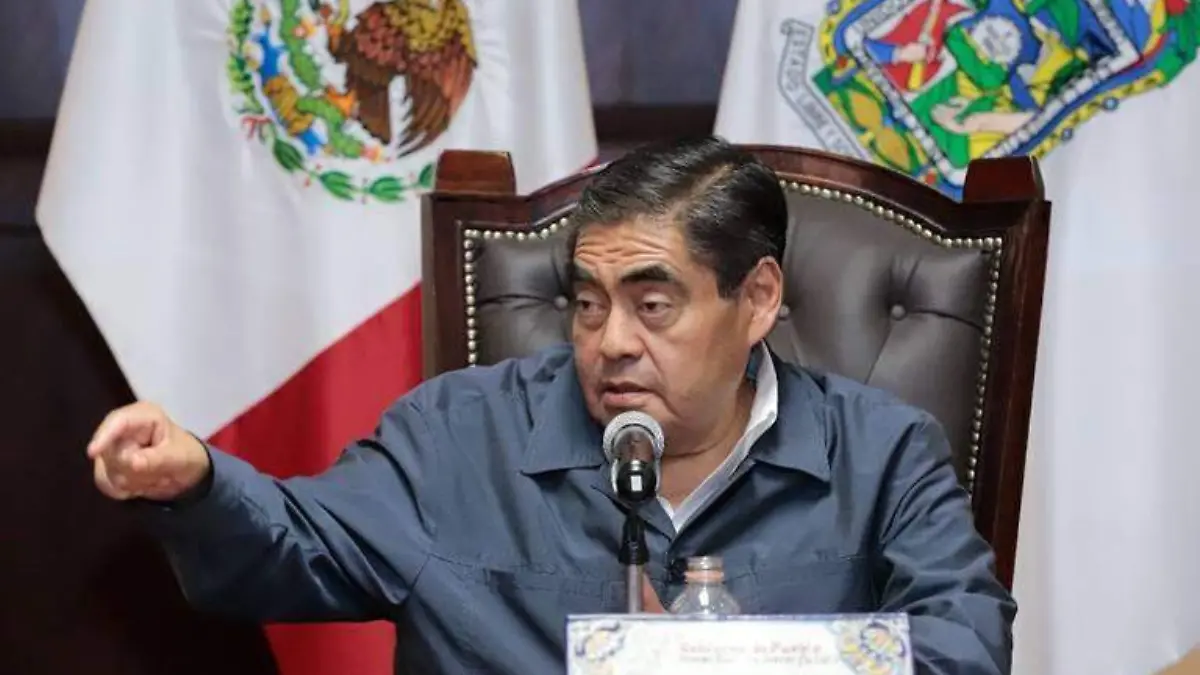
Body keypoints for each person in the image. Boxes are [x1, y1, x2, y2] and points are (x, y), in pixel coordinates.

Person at [87, 136, 1015, 674]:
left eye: (653, 305)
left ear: (759, 298)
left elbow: (967, 642)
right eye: (588, 303)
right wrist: (197, 481)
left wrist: (729, 660)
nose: (611, 341)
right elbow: (293, 551)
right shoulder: (459, 437)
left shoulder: (881, 451)